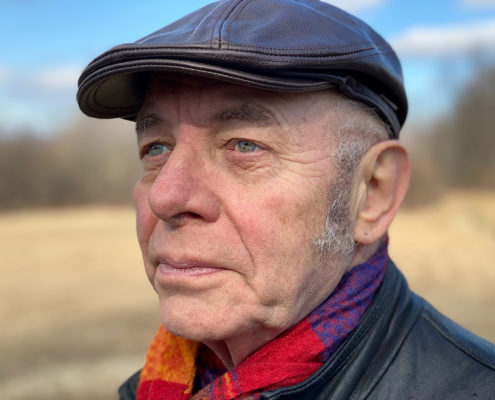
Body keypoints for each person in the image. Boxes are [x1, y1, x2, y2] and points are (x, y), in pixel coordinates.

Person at [77, 1, 495, 399]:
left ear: (372, 194)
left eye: (244, 145)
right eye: (156, 148)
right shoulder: (155, 386)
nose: (165, 197)